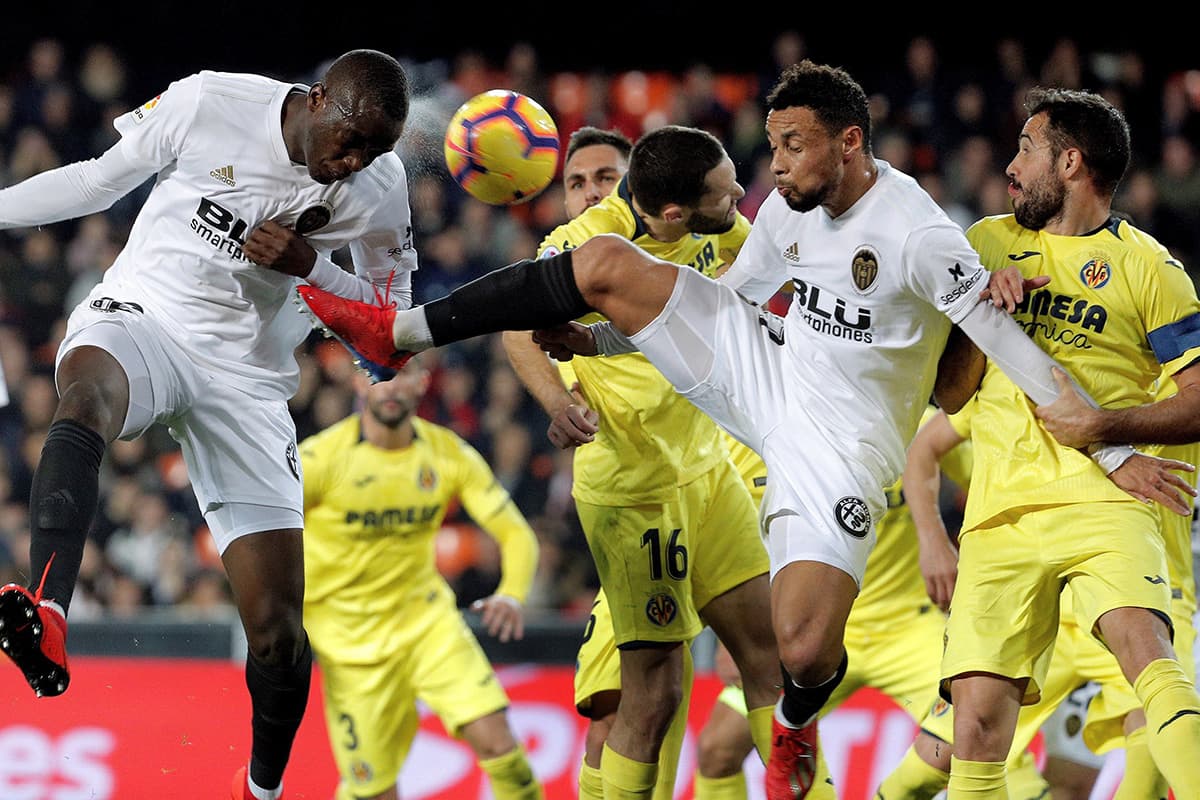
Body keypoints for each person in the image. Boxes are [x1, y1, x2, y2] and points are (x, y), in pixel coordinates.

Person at [294, 61, 1191, 800]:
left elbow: (1011, 349)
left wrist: (1112, 449)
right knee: (601, 262)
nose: (778, 165)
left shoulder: (918, 234)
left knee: (802, 648)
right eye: (773, 145)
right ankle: (394, 331)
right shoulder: (789, 208)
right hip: (763, 367)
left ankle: (796, 726)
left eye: (793, 145)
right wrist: (605, 334)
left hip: (840, 444)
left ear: (849, 142)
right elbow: (729, 302)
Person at [0, 49, 418, 800]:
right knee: (85, 397)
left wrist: (311, 267)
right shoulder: (211, 102)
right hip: (148, 316)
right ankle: (49, 612)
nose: (352, 163)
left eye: (373, 152)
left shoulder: (379, 188)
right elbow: (98, 179)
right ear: (318, 99)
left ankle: (259, 790)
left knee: (280, 632)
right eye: (348, 140)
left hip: (249, 381)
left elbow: (391, 330)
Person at [923, 87, 1200, 798]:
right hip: (1000, 513)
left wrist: (1103, 426)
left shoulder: (1150, 269)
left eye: (1026, 150)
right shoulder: (984, 243)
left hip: (1105, 498)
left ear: (1070, 162)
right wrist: (985, 310)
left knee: (1148, 655)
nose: (1011, 166)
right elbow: (949, 395)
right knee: (976, 726)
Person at [501, 124, 787, 800]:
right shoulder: (580, 247)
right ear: (669, 210)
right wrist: (556, 403)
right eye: (577, 181)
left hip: (709, 476)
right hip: (633, 490)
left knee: (768, 661)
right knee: (645, 697)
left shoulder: (718, 225)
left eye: (605, 175)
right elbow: (517, 328)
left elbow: (724, 301)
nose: (592, 191)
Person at [877, 402, 1197, 800]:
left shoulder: (1176, 385)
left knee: (1142, 762)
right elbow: (925, 445)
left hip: (1141, 596)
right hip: (1045, 604)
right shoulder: (1031, 371)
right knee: (930, 764)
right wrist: (933, 540)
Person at [300, 358, 541, 800]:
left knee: (502, 749)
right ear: (357, 381)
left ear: (422, 382)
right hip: (351, 645)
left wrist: (511, 593)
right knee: (374, 790)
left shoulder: (447, 453)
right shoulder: (319, 460)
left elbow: (515, 534)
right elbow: (264, 532)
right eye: (377, 377)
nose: (389, 388)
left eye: (401, 375)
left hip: (428, 627)